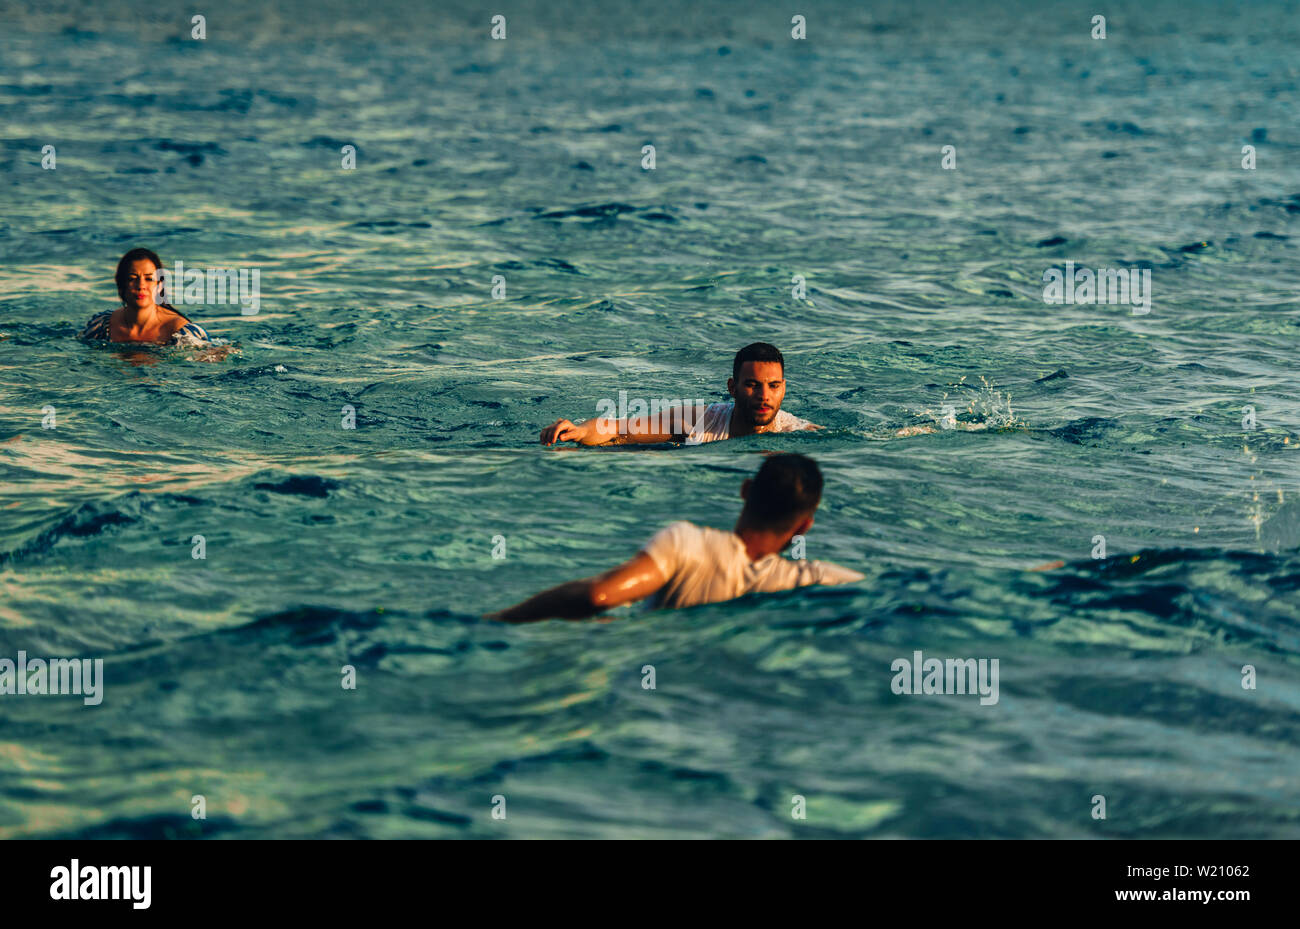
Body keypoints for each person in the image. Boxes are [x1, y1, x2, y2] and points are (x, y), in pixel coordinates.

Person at [486, 454, 863, 622]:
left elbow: (598, 596)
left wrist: (502, 618)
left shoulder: (687, 543)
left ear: (745, 490)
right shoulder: (816, 581)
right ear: (804, 527)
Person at [539, 342, 819, 446]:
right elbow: (617, 429)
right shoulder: (699, 420)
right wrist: (577, 431)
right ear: (732, 388)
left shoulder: (797, 433)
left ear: (784, 387)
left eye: (773, 386)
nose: (764, 396)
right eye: (752, 385)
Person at [81, 248, 214, 347]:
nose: (141, 286)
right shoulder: (102, 326)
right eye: (133, 278)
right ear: (121, 285)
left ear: (160, 285)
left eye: (149, 279)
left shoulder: (183, 333)